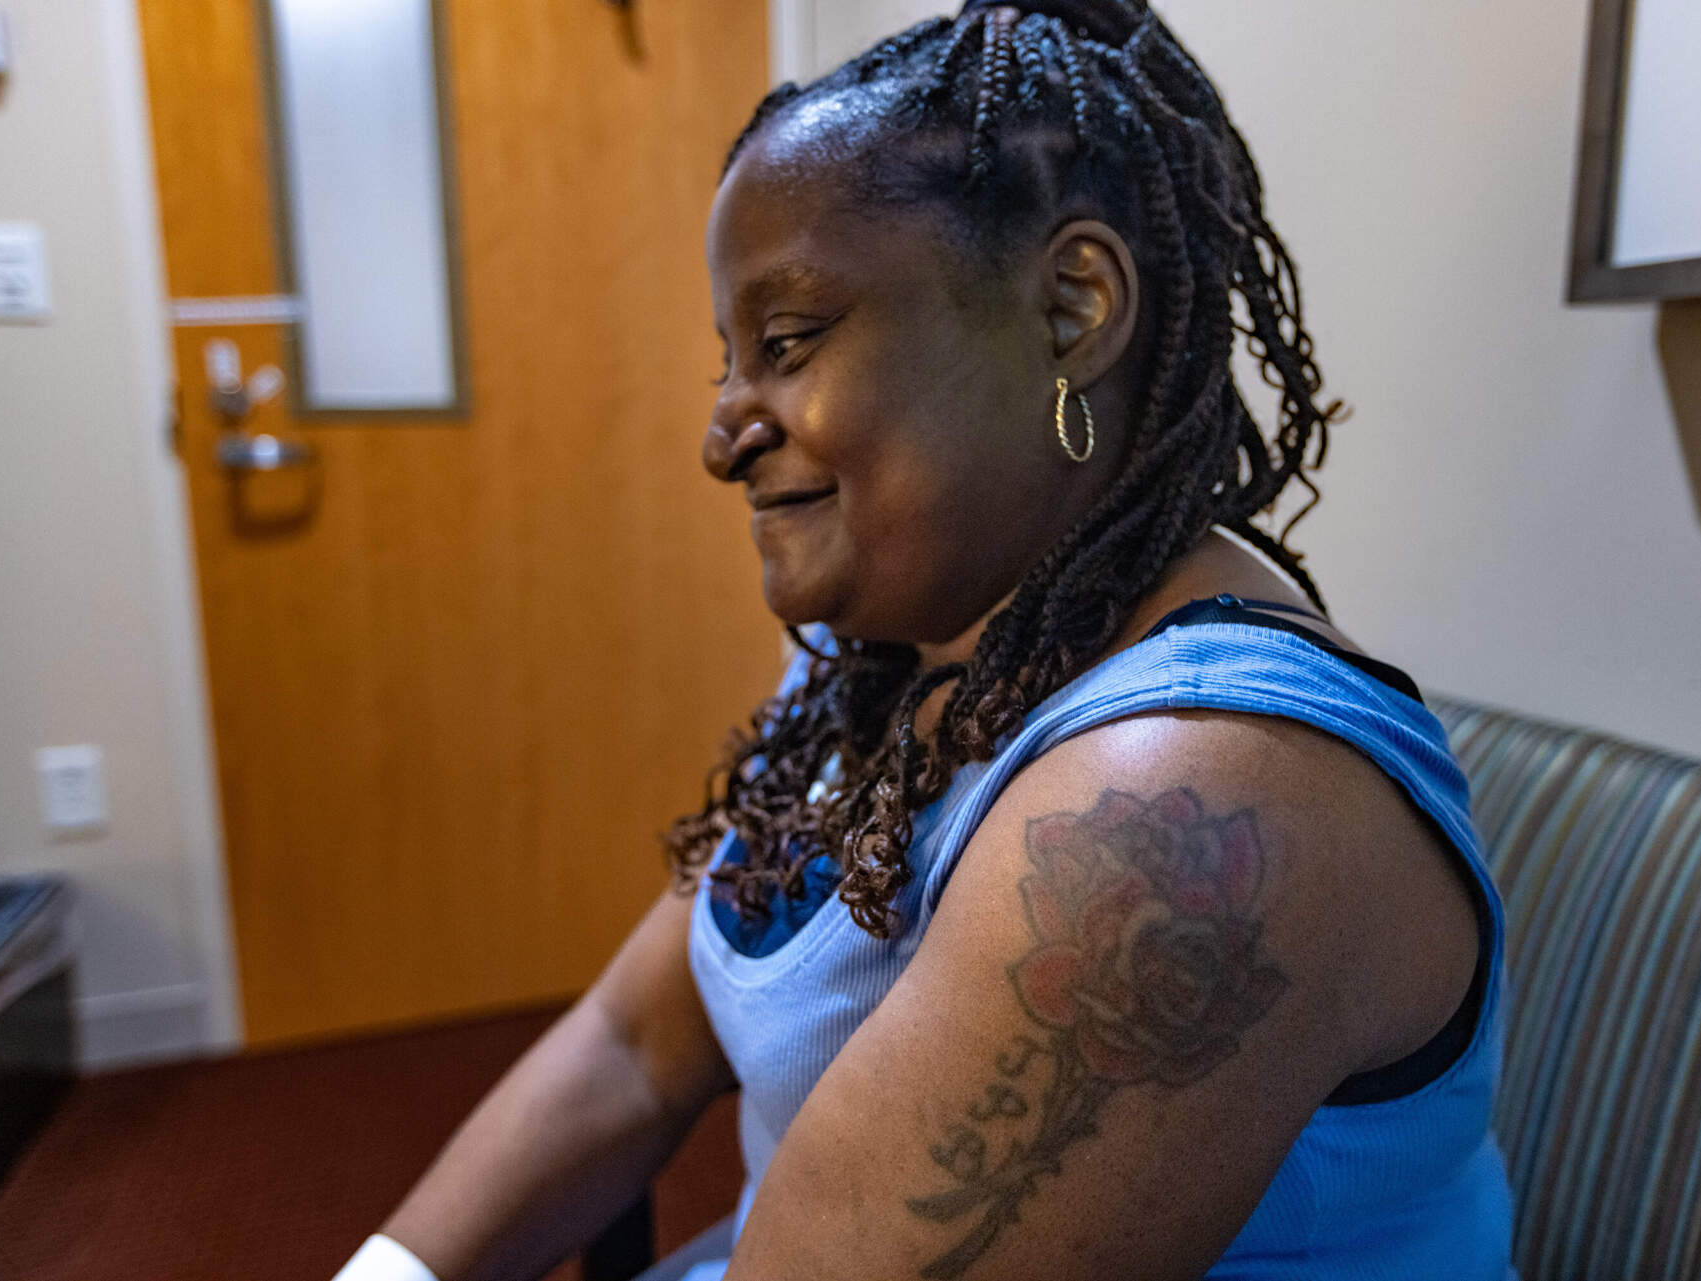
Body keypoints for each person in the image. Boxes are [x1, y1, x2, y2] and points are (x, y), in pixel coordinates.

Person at [334, 2, 1516, 1278]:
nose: (725, 431)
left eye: (786, 344)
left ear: (1074, 306)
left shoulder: (1192, 796)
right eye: (727, 362)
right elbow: (633, 1046)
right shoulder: (898, 660)